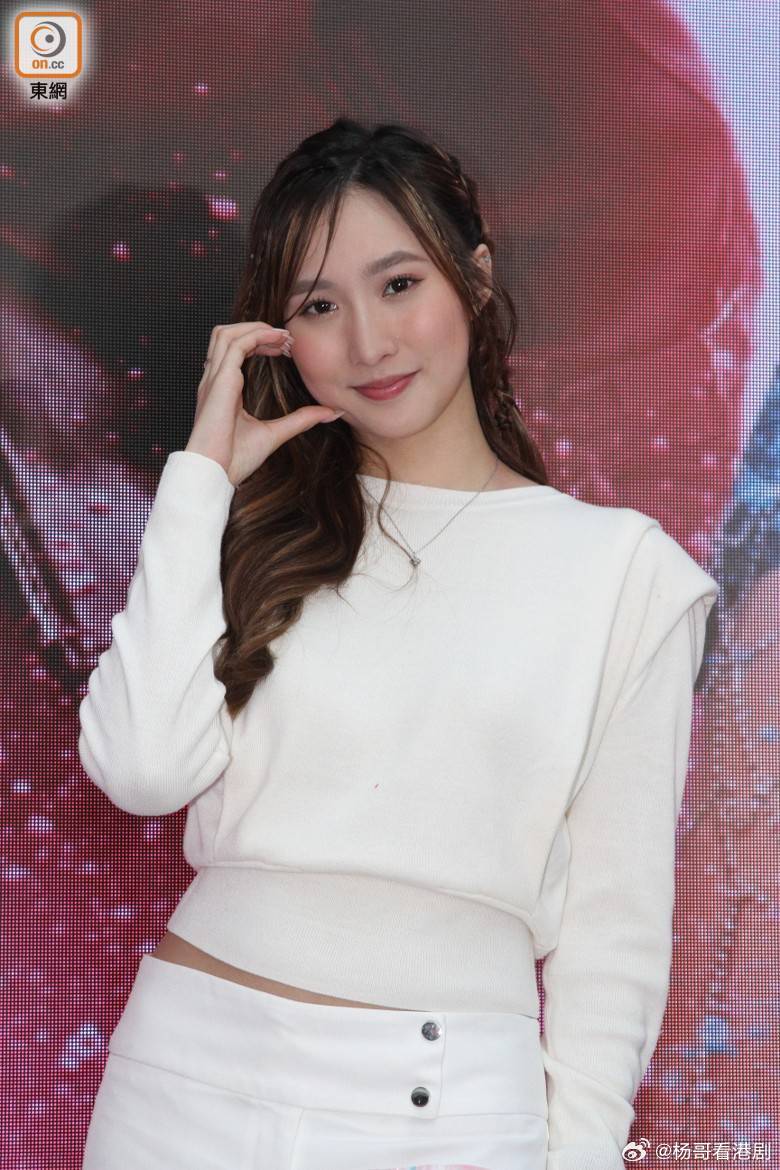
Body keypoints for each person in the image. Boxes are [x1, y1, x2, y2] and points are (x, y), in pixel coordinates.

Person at [78, 118, 720, 1170]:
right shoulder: (247, 533)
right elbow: (142, 770)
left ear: (475, 279)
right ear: (278, 337)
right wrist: (200, 483)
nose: (369, 343)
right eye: (319, 306)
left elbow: (617, 937)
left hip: (450, 1116)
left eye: (399, 285)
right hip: (184, 1090)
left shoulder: (626, 573)